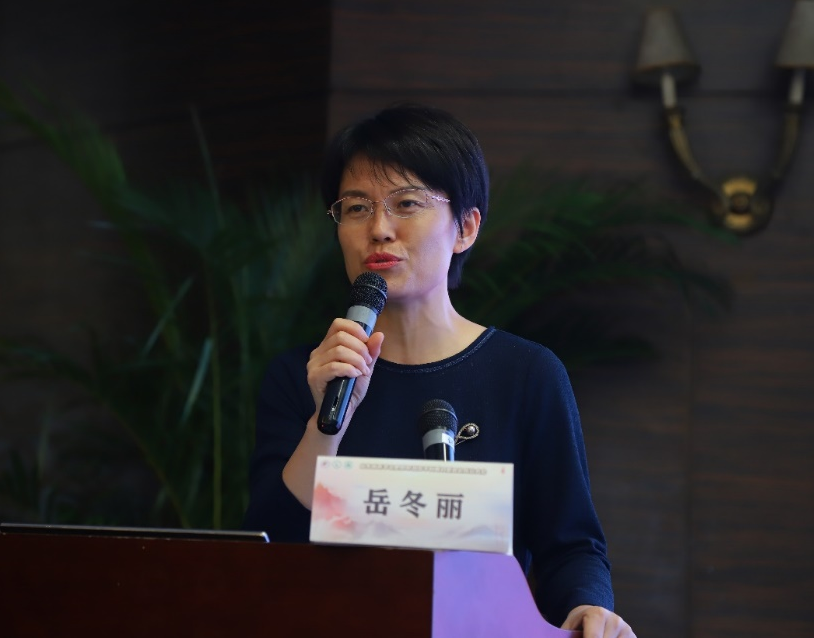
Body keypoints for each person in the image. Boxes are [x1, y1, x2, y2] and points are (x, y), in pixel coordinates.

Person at [243, 103, 635, 638]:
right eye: (356, 208)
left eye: (406, 203)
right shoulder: (304, 376)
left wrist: (589, 607)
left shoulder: (526, 374)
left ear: (465, 227)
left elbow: (570, 545)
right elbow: (269, 548)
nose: (379, 229)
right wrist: (324, 425)